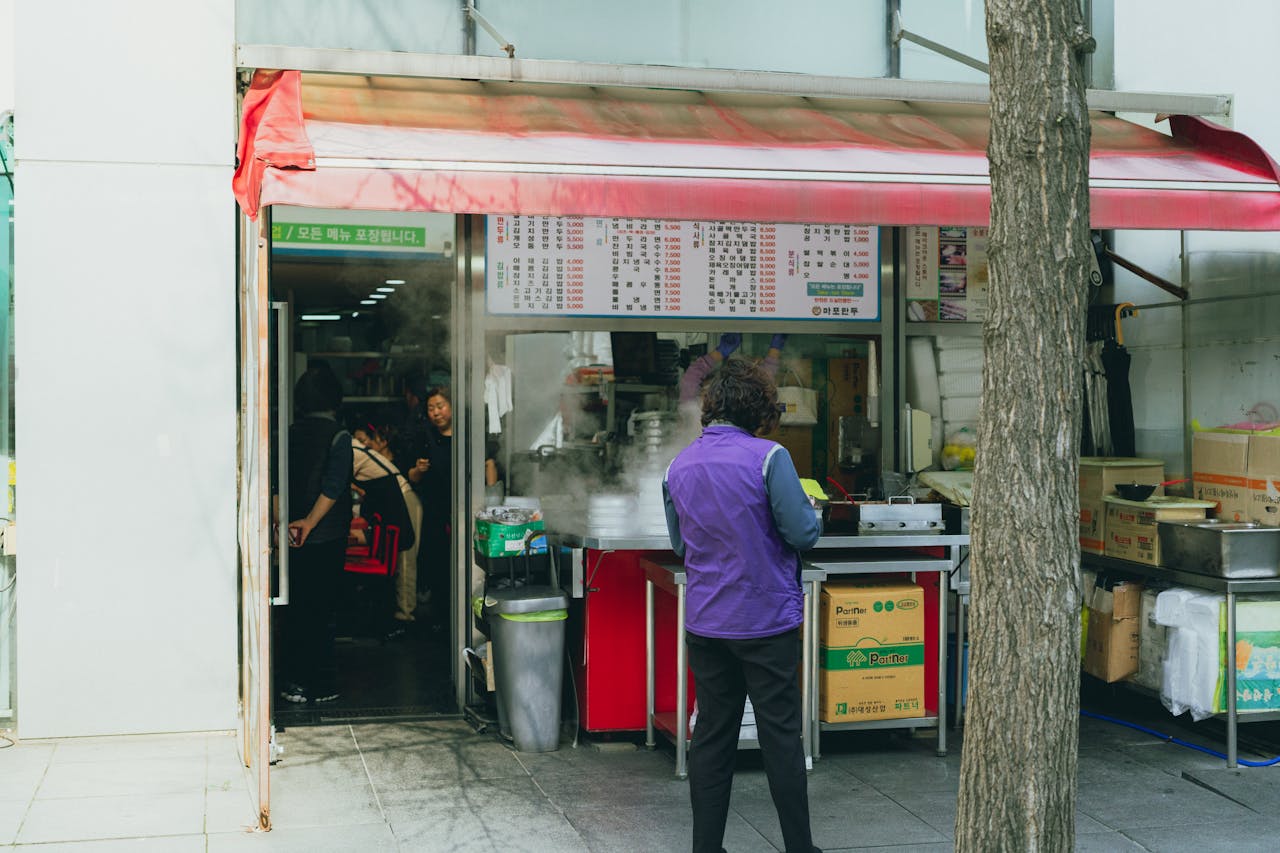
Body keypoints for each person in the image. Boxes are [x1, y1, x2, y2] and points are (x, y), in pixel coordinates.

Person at [663, 357, 823, 853]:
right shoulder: (770, 457)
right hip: (766, 621)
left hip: (707, 623)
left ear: (711, 408)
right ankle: (800, 847)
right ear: (758, 407)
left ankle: (706, 848)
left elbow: (680, 546)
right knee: (779, 738)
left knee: (711, 737)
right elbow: (802, 532)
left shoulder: (678, 465)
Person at [279, 365, 354, 705]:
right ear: (334, 399)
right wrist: (311, 522)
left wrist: (286, 522)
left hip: (291, 535)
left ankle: (293, 682)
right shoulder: (340, 436)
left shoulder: (288, 433)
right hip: (326, 535)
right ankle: (321, 684)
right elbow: (335, 486)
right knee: (323, 610)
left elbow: (274, 480)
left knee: (295, 608)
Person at [351, 423, 423, 626]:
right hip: (396, 500)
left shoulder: (352, 452)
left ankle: (406, 614)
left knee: (406, 558)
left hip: (405, 498)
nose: (365, 446)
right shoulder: (359, 454)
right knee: (400, 556)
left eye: (366, 441)